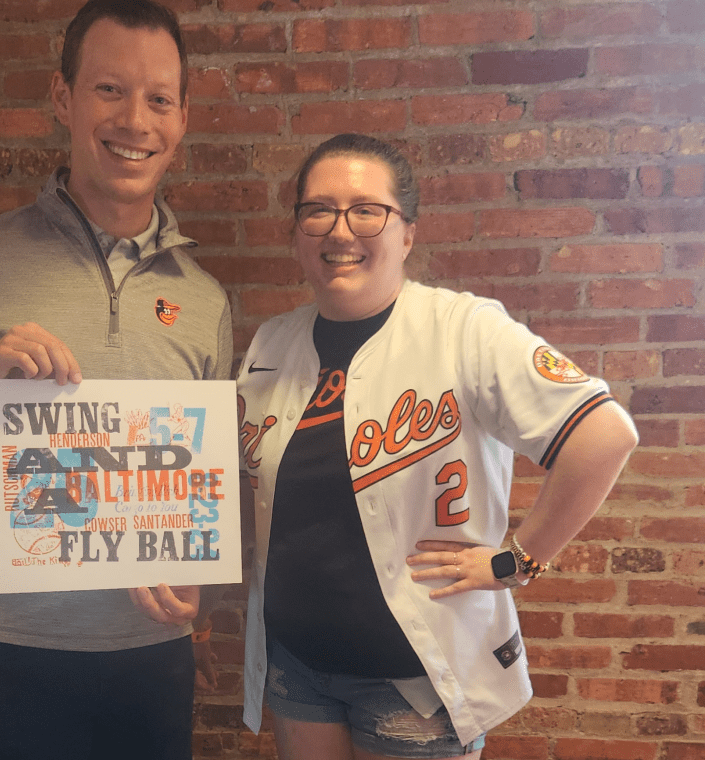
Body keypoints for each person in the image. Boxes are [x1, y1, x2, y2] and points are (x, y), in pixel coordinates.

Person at [0, 0, 232, 760]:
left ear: (183, 118)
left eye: (159, 98)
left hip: (152, 650)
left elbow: (198, 480)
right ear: (63, 97)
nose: (135, 119)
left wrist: (198, 612)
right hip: (15, 651)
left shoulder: (204, 298)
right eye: (108, 89)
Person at [236, 133, 638, 760]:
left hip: (414, 680)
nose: (340, 230)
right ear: (296, 232)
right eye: (318, 210)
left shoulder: (464, 328)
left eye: (367, 210)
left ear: (407, 232)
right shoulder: (271, 343)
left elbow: (605, 433)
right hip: (299, 666)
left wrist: (518, 560)